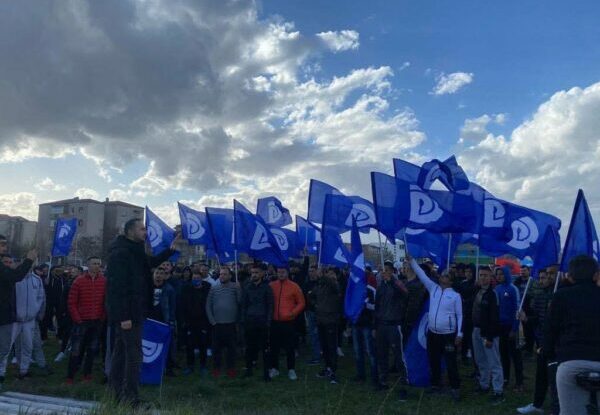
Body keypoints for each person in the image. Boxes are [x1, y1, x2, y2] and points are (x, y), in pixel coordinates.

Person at [105, 218, 179, 409]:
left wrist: (169, 250)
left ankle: (115, 395)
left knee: (121, 354)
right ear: (130, 231)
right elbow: (117, 287)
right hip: (128, 314)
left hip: (136, 311)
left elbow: (150, 262)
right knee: (134, 356)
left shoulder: (135, 250)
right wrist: (124, 316)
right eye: (142, 229)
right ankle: (130, 399)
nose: (146, 232)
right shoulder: (121, 253)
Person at [544, 255, 600, 415]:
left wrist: (547, 352)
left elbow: (550, 329)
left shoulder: (561, 296)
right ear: (596, 275)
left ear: (569, 276)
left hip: (571, 362)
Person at [408, 256, 462, 401]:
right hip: (433, 333)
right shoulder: (433, 289)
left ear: (450, 281)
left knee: (451, 362)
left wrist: (460, 334)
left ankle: (455, 388)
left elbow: (460, 315)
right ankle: (436, 385)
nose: (442, 277)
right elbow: (422, 274)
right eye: (442, 275)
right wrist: (412, 261)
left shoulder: (455, 296)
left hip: (448, 335)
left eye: (446, 276)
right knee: (434, 360)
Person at [517, 269, 559, 414]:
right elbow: (537, 319)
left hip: (557, 343)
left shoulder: (561, 294)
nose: (542, 280)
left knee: (556, 377)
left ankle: (557, 408)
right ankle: (537, 404)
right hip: (542, 341)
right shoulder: (540, 296)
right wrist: (526, 318)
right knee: (541, 374)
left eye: (546, 277)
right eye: (540, 278)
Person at [0, 235, 36, 391]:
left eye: (5, 244)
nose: (4, 247)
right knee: (3, 349)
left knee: (4, 349)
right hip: (3, 316)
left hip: (7, 315)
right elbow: (15, 276)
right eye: (1, 244)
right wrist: (28, 260)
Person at [66, 256, 107, 384]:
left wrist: (102, 317)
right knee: (76, 349)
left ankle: (87, 374)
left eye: (98, 264)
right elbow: (71, 302)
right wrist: (78, 319)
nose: (97, 266)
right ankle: (70, 376)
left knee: (92, 349)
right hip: (81, 321)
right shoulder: (79, 281)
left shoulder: (104, 281)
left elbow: (106, 301)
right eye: (94, 263)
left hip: (97, 321)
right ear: (88, 265)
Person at [374, 261, 408, 400]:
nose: (385, 273)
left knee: (398, 355)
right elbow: (377, 306)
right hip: (381, 325)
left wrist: (392, 281)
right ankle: (383, 380)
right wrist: (375, 326)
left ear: (392, 271)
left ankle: (404, 381)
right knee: (382, 354)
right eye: (383, 270)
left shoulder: (398, 283)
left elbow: (405, 293)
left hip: (394, 325)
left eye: (387, 270)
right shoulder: (381, 286)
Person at [472, 266, 504, 405]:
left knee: (494, 362)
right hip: (476, 330)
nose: (483, 277)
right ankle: (484, 384)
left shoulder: (492, 294)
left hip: (488, 333)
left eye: (485, 275)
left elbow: (494, 317)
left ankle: (498, 391)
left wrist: (490, 337)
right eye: (481, 275)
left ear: (491, 277)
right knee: (480, 360)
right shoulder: (477, 291)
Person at [269, 265, 305, 381]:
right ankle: (274, 368)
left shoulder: (294, 286)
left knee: (290, 347)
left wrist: (293, 313)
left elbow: (301, 302)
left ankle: (291, 369)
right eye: (279, 272)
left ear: (287, 273)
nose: (281, 274)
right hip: (274, 321)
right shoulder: (272, 285)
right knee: (274, 347)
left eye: (283, 272)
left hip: (288, 322)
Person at [205, 266, 241, 379]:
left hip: (231, 324)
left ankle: (231, 368)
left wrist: (239, 290)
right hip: (217, 324)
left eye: (225, 274)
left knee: (231, 349)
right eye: (221, 274)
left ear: (230, 276)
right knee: (216, 349)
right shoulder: (214, 288)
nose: (222, 276)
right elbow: (208, 305)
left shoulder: (235, 287)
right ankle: (216, 368)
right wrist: (212, 321)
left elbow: (240, 302)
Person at [13, 260, 47, 380]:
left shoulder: (36, 279)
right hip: (15, 319)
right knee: (12, 345)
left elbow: (41, 296)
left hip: (30, 320)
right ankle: (10, 367)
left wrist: (36, 310)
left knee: (28, 345)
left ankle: (24, 370)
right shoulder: (15, 278)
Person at [241, 263, 273, 381]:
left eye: (256, 272)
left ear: (262, 274)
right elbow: (243, 305)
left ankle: (266, 372)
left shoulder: (267, 287)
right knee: (249, 347)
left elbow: (270, 305)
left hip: (262, 321)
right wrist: (243, 319)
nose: (254, 275)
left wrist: (268, 321)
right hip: (250, 321)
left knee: (265, 348)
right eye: (252, 272)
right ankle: (248, 369)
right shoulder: (247, 287)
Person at [495, 266, 524, 391]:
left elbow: (517, 309)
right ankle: (505, 378)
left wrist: (514, 328)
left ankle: (519, 382)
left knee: (516, 355)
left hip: (511, 327)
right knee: (503, 354)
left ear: (506, 274)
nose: (499, 276)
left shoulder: (513, 289)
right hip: (500, 327)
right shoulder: (497, 288)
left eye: (501, 274)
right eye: (497, 274)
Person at [312, 268, 342, 384]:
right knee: (324, 346)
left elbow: (334, 286)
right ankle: (327, 367)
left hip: (331, 321)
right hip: (320, 320)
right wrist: (316, 305)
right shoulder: (320, 286)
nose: (330, 275)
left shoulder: (335, 285)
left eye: (331, 273)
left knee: (331, 347)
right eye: (328, 273)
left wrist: (323, 276)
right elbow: (312, 295)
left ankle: (333, 371)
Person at [181, 269, 211, 376]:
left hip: (203, 322)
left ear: (202, 279)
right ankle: (190, 366)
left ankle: (203, 365)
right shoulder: (186, 289)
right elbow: (183, 305)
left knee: (203, 344)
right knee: (190, 345)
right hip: (190, 322)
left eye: (198, 278)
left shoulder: (207, 288)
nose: (196, 280)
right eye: (194, 278)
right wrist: (184, 321)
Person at [148, 267, 177, 376]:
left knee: (167, 345)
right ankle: (150, 367)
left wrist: (171, 321)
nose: (159, 275)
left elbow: (172, 307)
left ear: (165, 276)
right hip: (150, 321)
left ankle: (169, 368)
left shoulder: (169, 289)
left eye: (161, 273)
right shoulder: (147, 288)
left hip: (164, 321)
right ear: (153, 275)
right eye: (157, 273)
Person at [351, 269, 378, 387]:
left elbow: (376, 307)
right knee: (358, 351)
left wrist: (365, 304)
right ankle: (360, 375)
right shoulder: (354, 290)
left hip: (367, 324)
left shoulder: (371, 290)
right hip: (356, 324)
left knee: (370, 351)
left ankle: (374, 376)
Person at [457, 263, 477, 364]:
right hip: (463, 313)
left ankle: (473, 356)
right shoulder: (463, 283)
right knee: (463, 335)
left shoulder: (477, 284)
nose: (468, 274)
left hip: (473, 314)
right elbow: (459, 295)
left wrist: (466, 300)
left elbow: (475, 298)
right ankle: (463, 355)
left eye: (470, 272)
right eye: (466, 272)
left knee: (471, 337)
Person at [303, 265, 322, 365]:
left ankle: (320, 354)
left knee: (320, 334)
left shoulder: (321, 283)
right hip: (310, 312)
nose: (311, 273)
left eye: (313, 271)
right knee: (313, 334)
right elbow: (304, 296)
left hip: (321, 312)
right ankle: (316, 355)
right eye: (310, 271)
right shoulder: (307, 284)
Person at [515, 266, 535, 355]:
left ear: (529, 271)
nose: (522, 272)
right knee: (522, 327)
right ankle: (525, 344)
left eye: (524, 271)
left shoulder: (532, 281)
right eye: (521, 271)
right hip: (520, 307)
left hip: (529, 308)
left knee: (529, 328)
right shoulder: (517, 281)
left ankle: (530, 347)